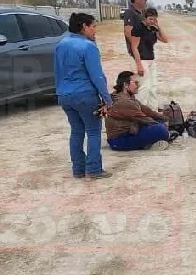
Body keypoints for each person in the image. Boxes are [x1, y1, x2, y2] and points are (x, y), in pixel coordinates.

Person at [53, 12, 113, 179]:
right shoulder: (88, 47)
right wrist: (107, 99)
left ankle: (78, 169)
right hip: (85, 95)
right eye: (93, 26)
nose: (95, 30)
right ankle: (94, 169)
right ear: (84, 26)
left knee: (76, 132)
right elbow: (97, 76)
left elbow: (58, 71)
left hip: (65, 95)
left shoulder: (61, 44)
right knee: (93, 132)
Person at [104, 70, 174, 151]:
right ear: (126, 85)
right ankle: (150, 144)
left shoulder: (128, 97)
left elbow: (148, 111)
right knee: (160, 130)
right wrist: (166, 127)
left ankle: (149, 143)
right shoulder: (124, 101)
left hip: (128, 133)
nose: (138, 85)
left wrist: (166, 118)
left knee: (160, 122)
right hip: (119, 141)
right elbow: (145, 119)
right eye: (135, 83)